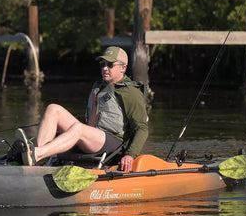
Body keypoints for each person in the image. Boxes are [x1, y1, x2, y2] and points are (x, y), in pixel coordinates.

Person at [14, 46, 148, 172]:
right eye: (103, 64)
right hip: (93, 137)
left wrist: (130, 155)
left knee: (78, 129)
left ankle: (37, 154)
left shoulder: (131, 93)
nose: (105, 68)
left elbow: (142, 128)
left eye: (110, 65)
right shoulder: (100, 87)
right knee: (53, 109)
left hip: (114, 144)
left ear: (123, 68)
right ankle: (35, 159)